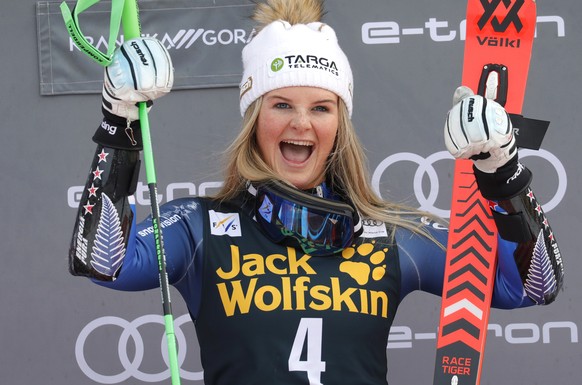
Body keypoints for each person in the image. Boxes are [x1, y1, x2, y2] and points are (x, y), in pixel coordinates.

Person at [69, 0, 564, 383]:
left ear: (340, 124)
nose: (301, 123)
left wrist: (501, 172)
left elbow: (533, 285)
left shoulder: (390, 237)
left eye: (321, 108)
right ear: (254, 119)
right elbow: (102, 260)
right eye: (281, 103)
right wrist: (121, 123)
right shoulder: (201, 227)